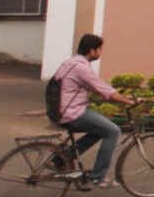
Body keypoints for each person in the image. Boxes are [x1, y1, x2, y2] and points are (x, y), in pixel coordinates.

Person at [53, 33, 141, 188]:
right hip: (73, 112)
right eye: (100, 49)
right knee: (113, 131)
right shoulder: (81, 68)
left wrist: (120, 96)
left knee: (100, 129)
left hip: (62, 110)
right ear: (92, 51)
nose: (101, 53)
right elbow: (103, 88)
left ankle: (62, 158)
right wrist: (129, 101)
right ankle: (98, 176)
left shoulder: (70, 62)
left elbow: (96, 88)